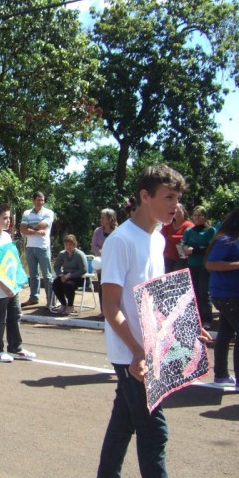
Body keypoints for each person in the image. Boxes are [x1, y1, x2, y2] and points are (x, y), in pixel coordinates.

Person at [97, 164, 212, 478]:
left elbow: (157, 300)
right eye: (168, 197)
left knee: (123, 423)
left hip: (148, 350)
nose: (175, 205)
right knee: (154, 431)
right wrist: (138, 352)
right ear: (145, 196)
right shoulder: (121, 240)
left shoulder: (158, 239)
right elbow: (110, 306)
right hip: (131, 354)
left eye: (177, 198)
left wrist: (187, 326)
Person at [0, 203, 37, 363]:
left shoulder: (6, 236)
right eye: (5, 218)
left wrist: (20, 279)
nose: (8, 221)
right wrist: (4, 287)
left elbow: (13, 260)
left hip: (12, 285)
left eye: (9, 218)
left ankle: (15, 348)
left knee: (15, 315)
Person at [205, 208, 239, 389]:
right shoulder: (226, 240)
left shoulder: (232, 239)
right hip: (227, 295)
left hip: (229, 294)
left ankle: (221, 375)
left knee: (225, 333)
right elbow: (211, 264)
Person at [181, 205, 215, 329]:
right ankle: (196, 318)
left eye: (200, 215)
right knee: (194, 292)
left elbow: (209, 248)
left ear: (205, 217)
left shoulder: (210, 231)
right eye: (195, 215)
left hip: (204, 266)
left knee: (204, 292)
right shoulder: (189, 231)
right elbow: (183, 244)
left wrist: (194, 250)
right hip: (192, 265)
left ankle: (207, 320)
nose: (197, 217)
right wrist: (185, 248)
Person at [20, 191, 54, 309]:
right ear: (33, 200)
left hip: (43, 247)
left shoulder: (48, 212)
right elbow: (22, 229)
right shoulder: (27, 213)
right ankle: (34, 297)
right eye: (38, 200)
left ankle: (50, 300)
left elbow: (42, 226)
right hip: (30, 247)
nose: (40, 202)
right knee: (33, 274)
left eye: (42, 200)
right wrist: (36, 232)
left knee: (47, 275)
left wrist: (29, 228)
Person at [91, 208, 118, 316]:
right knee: (102, 288)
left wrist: (109, 252)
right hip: (101, 265)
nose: (101, 219)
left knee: (114, 289)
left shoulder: (117, 231)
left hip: (114, 264)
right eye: (101, 217)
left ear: (110, 219)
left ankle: (114, 311)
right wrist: (101, 252)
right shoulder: (98, 231)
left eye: (103, 218)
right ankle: (103, 311)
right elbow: (93, 246)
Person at [51, 234, 88, 315]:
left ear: (74, 244)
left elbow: (83, 270)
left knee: (68, 285)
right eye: (66, 244)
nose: (68, 246)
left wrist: (70, 276)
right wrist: (61, 275)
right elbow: (56, 267)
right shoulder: (62, 254)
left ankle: (70, 305)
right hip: (65, 276)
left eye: (70, 244)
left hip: (78, 277)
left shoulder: (79, 254)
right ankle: (63, 304)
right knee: (56, 283)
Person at [160, 203, 192, 272]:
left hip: (182, 257)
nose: (177, 214)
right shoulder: (167, 226)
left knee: (178, 276)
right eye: (175, 212)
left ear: (184, 212)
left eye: (179, 212)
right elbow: (160, 238)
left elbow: (187, 240)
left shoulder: (189, 225)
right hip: (167, 257)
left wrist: (171, 238)